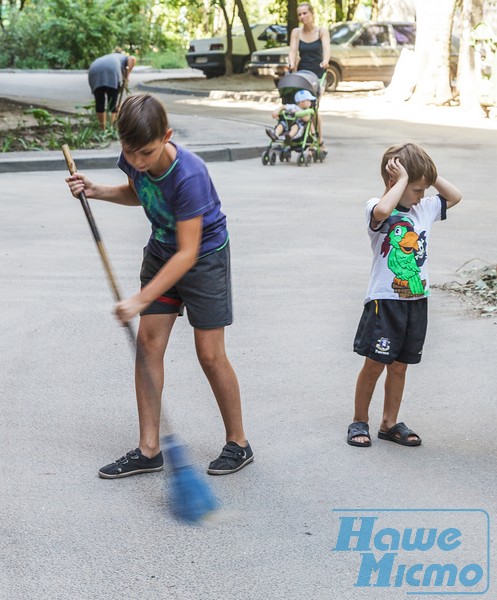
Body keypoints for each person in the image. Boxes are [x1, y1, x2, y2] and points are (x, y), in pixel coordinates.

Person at [65, 93, 253, 478]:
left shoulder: (190, 175)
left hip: (203, 259)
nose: (137, 162)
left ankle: (239, 442)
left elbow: (187, 253)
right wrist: (96, 190)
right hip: (161, 251)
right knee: (148, 345)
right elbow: (141, 192)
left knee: (210, 353)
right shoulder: (134, 157)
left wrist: (140, 299)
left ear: (166, 136)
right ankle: (149, 449)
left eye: (146, 153)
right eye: (129, 152)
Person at [347, 143, 462, 448]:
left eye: (424, 190)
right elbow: (384, 210)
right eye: (416, 189)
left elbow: (455, 196)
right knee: (375, 363)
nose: (421, 196)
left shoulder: (423, 209)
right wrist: (400, 182)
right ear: (392, 181)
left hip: (416, 302)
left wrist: (428, 173)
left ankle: (389, 422)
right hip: (384, 302)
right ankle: (359, 420)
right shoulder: (377, 207)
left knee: (400, 365)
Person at [287, 2, 330, 151]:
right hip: (302, 76)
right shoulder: (296, 32)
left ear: (312, 14)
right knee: (302, 108)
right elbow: (293, 51)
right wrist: (291, 64)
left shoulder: (321, 31)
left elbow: (326, 49)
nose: (302, 17)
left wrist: (325, 61)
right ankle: (306, 138)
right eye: (299, 14)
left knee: (313, 108)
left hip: (318, 75)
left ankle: (319, 140)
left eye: (305, 13)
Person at [88, 51, 136, 130]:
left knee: (99, 102)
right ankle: (111, 128)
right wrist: (127, 76)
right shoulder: (123, 57)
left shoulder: (110, 57)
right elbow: (132, 59)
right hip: (112, 70)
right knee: (112, 103)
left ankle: (102, 128)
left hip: (94, 69)